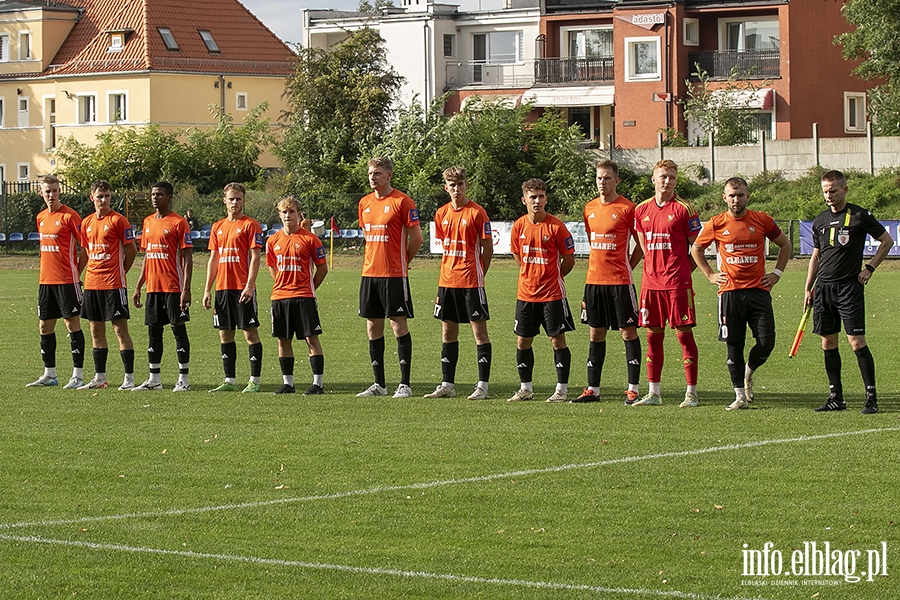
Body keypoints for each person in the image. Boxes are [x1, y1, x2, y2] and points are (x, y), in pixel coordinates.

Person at [691, 177, 792, 410]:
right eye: (732, 195)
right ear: (724, 198)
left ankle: (748, 373)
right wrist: (709, 275)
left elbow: (785, 245)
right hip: (729, 292)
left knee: (767, 343)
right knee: (734, 344)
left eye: (741, 195)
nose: (736, 199)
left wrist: (776, 273)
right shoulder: (716, 223)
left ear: (748, 196)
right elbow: (696, 248)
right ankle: (739, 396)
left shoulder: (762, 220)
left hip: (758, 291)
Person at [804, 170, 893, 414]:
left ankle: (871, 397)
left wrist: (870, 268)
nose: (828, 195)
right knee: (828, 342)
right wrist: (808, 287)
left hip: (848, 289)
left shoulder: (859, 215)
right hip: (823, 289)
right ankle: (836, 397)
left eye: (833, 190)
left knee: (856, 342)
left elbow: (887, 241)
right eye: (825, 191)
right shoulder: (820, 220)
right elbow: (816, 256)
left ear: (845, 190)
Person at [632, 159, 703, 407]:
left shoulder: (685, 209)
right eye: (662, 176)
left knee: (684, 337)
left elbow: (698, 247)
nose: (667, 181)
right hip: (650, 285)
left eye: (672, 177)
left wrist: (684, 272)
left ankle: (691, 393)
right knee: (653, 338)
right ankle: (654, 393)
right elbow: (643, 248)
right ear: (653, 179)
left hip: (677, 285)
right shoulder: (640, 210)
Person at [573, 160, 644, 404]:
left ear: (616, 181)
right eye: (599, 178)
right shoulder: (589, 208)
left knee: (627, 332)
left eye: (606, 178)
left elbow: (641, 246)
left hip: (620, 283)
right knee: (595, 333)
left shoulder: (628, 208)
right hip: (593, 282)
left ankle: (633, 389)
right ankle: (593, 390)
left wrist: (627, 267)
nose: (602, 182)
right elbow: (594, 242)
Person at [356, 156, 424, 398]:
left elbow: (416, 238)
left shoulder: (403, 201)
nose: (372, 177)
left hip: (394, 275)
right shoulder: (364, 203)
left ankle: (404, 384)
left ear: (389, 175)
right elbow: (367, 235)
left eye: (377, 173)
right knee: (373, 327)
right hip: (369, 274)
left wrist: (403, 262)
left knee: (398, 325)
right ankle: (379, 385)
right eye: (370, 173)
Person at [425, 166, 494, 400]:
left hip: (471, 282)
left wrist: (478, 273)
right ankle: (447, 385)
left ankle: (482, 386)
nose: (457, 189)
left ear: (467, 185)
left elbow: (487, 248)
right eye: (452, 185)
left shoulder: (477, 213)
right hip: (446, 281)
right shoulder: (441, 213)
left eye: (460, 184)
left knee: (479, 332)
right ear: (446, 188)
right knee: (448, 332)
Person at [508, 178, 576, 402]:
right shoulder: (519, 226)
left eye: (541, 196)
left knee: (557, 340)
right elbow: (518, 257)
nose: (537, 201)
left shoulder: (556, 226)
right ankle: (526, 389)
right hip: (525, 295)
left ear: (546, 198)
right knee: (523, 341)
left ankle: (561, 390)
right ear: (524, 200)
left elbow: (569, 260)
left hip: (552, 295)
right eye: (532, 197)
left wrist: (551, 277)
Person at [202, 183, 264, 393]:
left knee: (249, 332)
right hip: (222, 288)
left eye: (238, 199)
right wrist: (207, 289)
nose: (235, 202)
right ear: (224, 200)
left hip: (242, 288)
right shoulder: (217, 227)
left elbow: (256, 257)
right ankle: (229, 380)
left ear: (243, 200)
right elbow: (213, 259)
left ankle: (254, 380)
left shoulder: (251, 225)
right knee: (225, 334)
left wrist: (249, 286)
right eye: (231, 199)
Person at [131, 181, 194, 392]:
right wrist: (139, 285)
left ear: (169, 197)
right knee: (153, 332)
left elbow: (187, 257)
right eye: (152, 194)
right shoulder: (147, 222)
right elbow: (148, 256)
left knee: (178, 330)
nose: (154, 197)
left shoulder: (179, 222)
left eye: (159, 194)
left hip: (174, 287)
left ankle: (183, 379)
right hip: (153, 288)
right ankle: (154, 379)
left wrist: (186, 288)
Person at [76, 180, 138, 390]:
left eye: (107, 196)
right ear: (91, 197)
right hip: (92, 285)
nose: (104, 200)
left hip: (113, 285)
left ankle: (129, 378)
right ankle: (100, 378)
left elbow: (132, 251)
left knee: (120, 330)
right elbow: (85, 251)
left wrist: (121, 272)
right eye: (100, 196)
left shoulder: (119, 221)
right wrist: (78, 272)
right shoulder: (86, 223)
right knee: (95, 331)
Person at [26, 175, 86, 388]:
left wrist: (75, 272)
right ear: (41, 193)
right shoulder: (41, 217)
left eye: (54, 190)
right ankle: (50, 374)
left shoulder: (70, 216)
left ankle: (77, 375)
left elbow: (85, 247)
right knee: (44, 326)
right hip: (45, 282)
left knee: (71, 324)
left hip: (67, 281)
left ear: (60, 191)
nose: (51, 195)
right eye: (47, 191)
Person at [266, 196, 328, 394]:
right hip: (280, 297)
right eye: (284, 212)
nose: (287, 215)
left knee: (311, 338)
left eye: (291, 212)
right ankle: (288, 383)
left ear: (298, 214)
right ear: (279, 215)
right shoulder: (272, 241)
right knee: (283, 339)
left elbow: (322, 269)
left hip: (304, 296)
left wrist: (310, 287)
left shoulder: (310, 239)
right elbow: (271, 266)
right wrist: (281, 284)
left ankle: (317, 384)